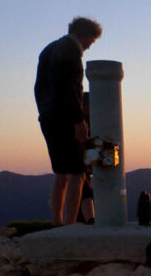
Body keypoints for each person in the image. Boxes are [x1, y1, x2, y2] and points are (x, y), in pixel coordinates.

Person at [34, 16, 102, 225]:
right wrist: (79, 121)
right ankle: (70, 225)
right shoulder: (71, 52)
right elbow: (70, 89)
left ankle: (56, 222)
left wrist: (44, 111)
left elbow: (38, 88)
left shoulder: (49, 49)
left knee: (61, 173)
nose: (90, 46)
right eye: (91, 40)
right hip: (66, 119)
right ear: (84, 34)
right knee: (77, 173)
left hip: (48, 117)